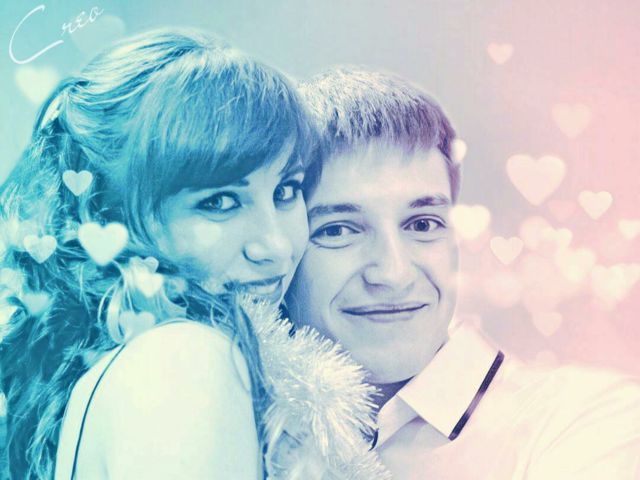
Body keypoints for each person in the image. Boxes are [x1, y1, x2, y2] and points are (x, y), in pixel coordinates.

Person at [0, 32, 386, 479]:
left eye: (286, 191)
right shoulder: (184, 361)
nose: (276, 246)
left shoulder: (116, 367)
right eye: (219, 202)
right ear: (107, 214)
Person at [286, 67, 640, 479]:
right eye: (337, 230)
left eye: (422, 224)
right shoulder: (244, 424)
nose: (393, 273)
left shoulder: (586, 420)